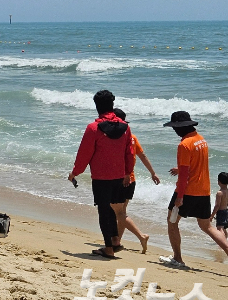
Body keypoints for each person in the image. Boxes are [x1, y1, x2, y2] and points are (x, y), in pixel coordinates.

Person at [68, 90, 132, 259]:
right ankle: (115, 240)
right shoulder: (125, 127)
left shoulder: (93, 128)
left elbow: (84, 154)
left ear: (97, 106)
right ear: (112, 104)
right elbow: (129, 153)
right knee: (111, 207)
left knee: (104, 211)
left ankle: (109, 248)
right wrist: (128, 173)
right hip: (119, 176)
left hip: (101, 177)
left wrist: (75, 172)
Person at [160, 112, 228, 267]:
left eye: (175, 128)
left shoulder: (184, 144)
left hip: (188, 191)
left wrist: (180, 196)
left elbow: (184, 176)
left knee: (172, 222)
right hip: (203, 190)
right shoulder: (201, 140)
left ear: (180, 127)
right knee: (207, 226)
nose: (174, 131)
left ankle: (177, 258)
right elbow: (196, 164)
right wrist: (181, 168)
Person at [112, 108, 161, 253]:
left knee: (119, 213)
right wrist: (153, 173)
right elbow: (143, 156)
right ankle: (117, 242)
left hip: (120, 180)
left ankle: (141, 236)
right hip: (131, 180)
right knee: (122, 212)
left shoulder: (117, 139)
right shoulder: (132, 137)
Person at [210, 172, 228, 239]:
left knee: (220, 229)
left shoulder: (219, 193)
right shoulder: (227, 191)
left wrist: (212, 216)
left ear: (219, 181)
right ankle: (225, 240)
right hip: (226, 211)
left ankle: (222, 243)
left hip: (221, 212)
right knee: (223, 228)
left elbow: (217, 205)